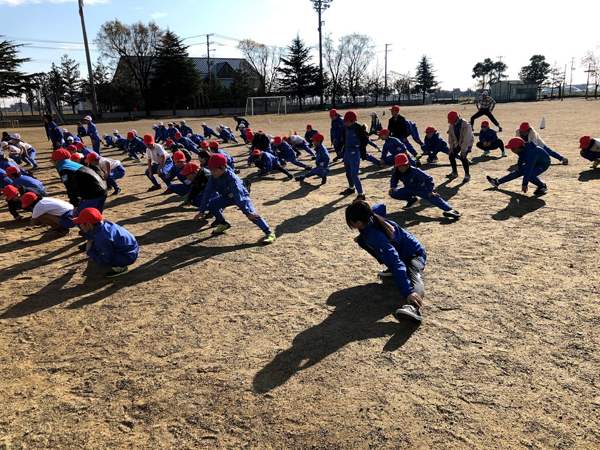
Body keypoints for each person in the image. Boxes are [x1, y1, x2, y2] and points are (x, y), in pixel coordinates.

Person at [345, 200, 425, 323]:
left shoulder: (375, 237)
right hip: (399, 251)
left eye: (350, 223)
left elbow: (395, 262)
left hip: (414, 254)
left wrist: (408, 291)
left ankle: (414, 308)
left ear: (359, 222)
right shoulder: (371, 214)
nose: (350, 225)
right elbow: (382, 205)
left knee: (414, 276)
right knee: (361, 240)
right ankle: (392, 272)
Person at [194, 153, 277, 244]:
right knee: (212, 205)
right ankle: (223, 223)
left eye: (215, 169)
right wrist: (202, 211)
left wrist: (247, 212)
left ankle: (269, 233)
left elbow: (238, 195)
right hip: (226, 197)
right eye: (211, 169)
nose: (212, 172)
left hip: (242, 197)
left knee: (252, 215)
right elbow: (207, 193)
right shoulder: (213, 178)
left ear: (223, 168)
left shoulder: (232, 178)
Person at [389, 154, 461, 218]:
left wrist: (430, 191)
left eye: (403, 165)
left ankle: (450, 210)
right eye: (399, 166)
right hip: (409, 189)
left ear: (408, 164)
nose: (401, 168)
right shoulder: (397, 171)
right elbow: (394, 179)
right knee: (393, 192)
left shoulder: (415, 171)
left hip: (421, 189)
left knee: (432, 197)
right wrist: (393, 186)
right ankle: (412, 200)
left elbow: (428, 179)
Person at [74, 207, 139, 278]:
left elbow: (104, 261)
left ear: (89, 225)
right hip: (131, 249)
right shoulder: (105, 224)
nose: (79, 225)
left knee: (101, 258)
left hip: (128, 256)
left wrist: (90, 251)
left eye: (80, 223)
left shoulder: (101, 238)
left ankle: (121, 267)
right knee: (98, 249)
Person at [486, 137, 550, 195]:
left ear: (516, 148)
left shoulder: (531, 153)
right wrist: (519, 165)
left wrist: (524, 184)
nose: (511, 150)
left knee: (529, 175)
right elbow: (521, 157)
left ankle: (542, 186)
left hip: (543, 164)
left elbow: (529, 169)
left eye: (512, 149)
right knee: (519, 171)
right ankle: (497, 182)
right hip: (536, 161)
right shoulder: (523, 148)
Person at [339, 110, 369, 201]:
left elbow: (365, 139)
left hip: (355, 151)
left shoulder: (358, 128)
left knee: (354, 173)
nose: (346, 123)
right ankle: (351, 188)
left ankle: (361, 194)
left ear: (353, 121)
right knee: (348, 171)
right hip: (347, 150)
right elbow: (343, 138)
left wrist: (360, 148)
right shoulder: (345, 128)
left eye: (348, 122)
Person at [446, 110, 473, 182]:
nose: (452, 123)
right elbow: (450, 137)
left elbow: (467, 139)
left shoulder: (466, 125)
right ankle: (454, 172)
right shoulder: (451, 125)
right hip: (458, 142)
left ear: (458, 118)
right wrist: (451, 147)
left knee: (463, 157)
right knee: (451, 155)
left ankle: (467, 175)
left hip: (467, 142)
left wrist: (463, 150)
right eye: (451, 122)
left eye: (453, 122)